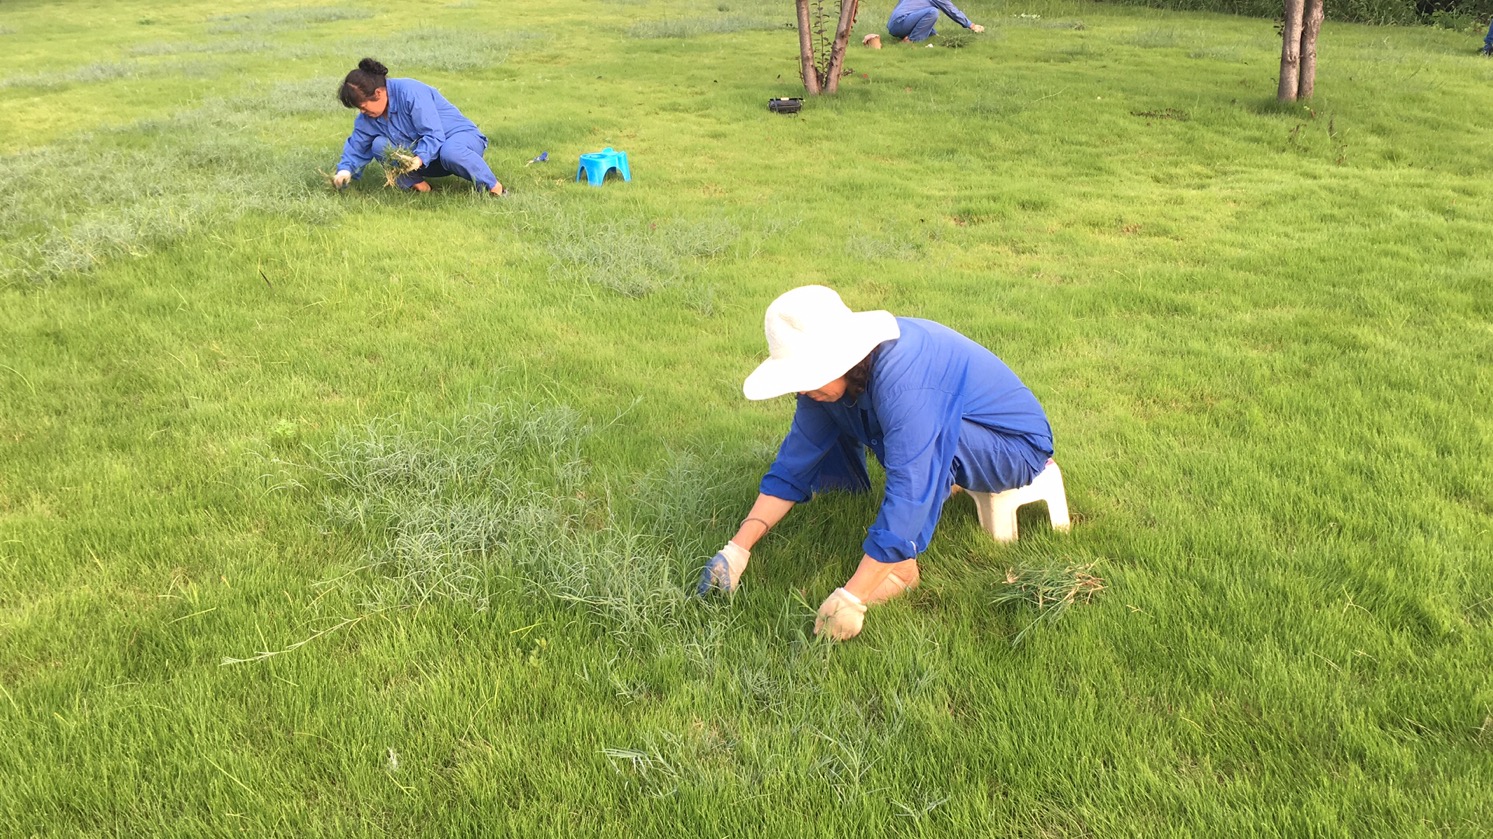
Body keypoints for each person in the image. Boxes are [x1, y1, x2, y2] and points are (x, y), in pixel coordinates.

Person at [696, 286, 1055, 641]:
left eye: (807, 375)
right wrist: (737, 549)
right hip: (949, 423)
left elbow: (911, 484)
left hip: (1015, 447)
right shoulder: (826, 385)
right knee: (837, 415)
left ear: (842, 359)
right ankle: (860, 501)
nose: (802, 389)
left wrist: (853, 597)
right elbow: (794, 464)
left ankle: (900, 570)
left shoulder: (904, 381)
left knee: (927, 447)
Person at [331, 58, 505, 195]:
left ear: (378, 93)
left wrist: (419, 158)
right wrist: (345, 171)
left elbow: (433, 133)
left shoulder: (410, 92)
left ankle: (494, 188)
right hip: (427, 161)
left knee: (451, 151)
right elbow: (358, 145)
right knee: (379, 145)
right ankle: (420, 187)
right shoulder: (368, 117)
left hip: (459, 145)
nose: (362, 112)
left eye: (363, 106)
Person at [886, 0, 985, 43]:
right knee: (933, 12)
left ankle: (906, 36)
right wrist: (971, 25)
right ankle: (912, 41)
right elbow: (952, 11)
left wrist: (933, 34)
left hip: (893, 25)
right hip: (902, 23)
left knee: (928, 14)